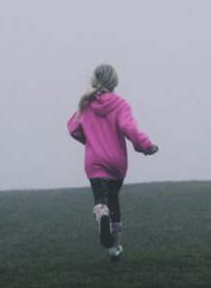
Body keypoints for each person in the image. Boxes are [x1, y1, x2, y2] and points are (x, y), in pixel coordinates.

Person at [67, 64, 158, 261]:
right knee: (114, 201)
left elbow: (73, 128)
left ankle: (102, 216)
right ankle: (114, 248)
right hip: (117, 163)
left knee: (102, 200)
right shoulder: (121, 105)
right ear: (115, 82)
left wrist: (90, 140)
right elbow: (129, 129)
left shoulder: (86, 104)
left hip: (95, 162)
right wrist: (146, 146)